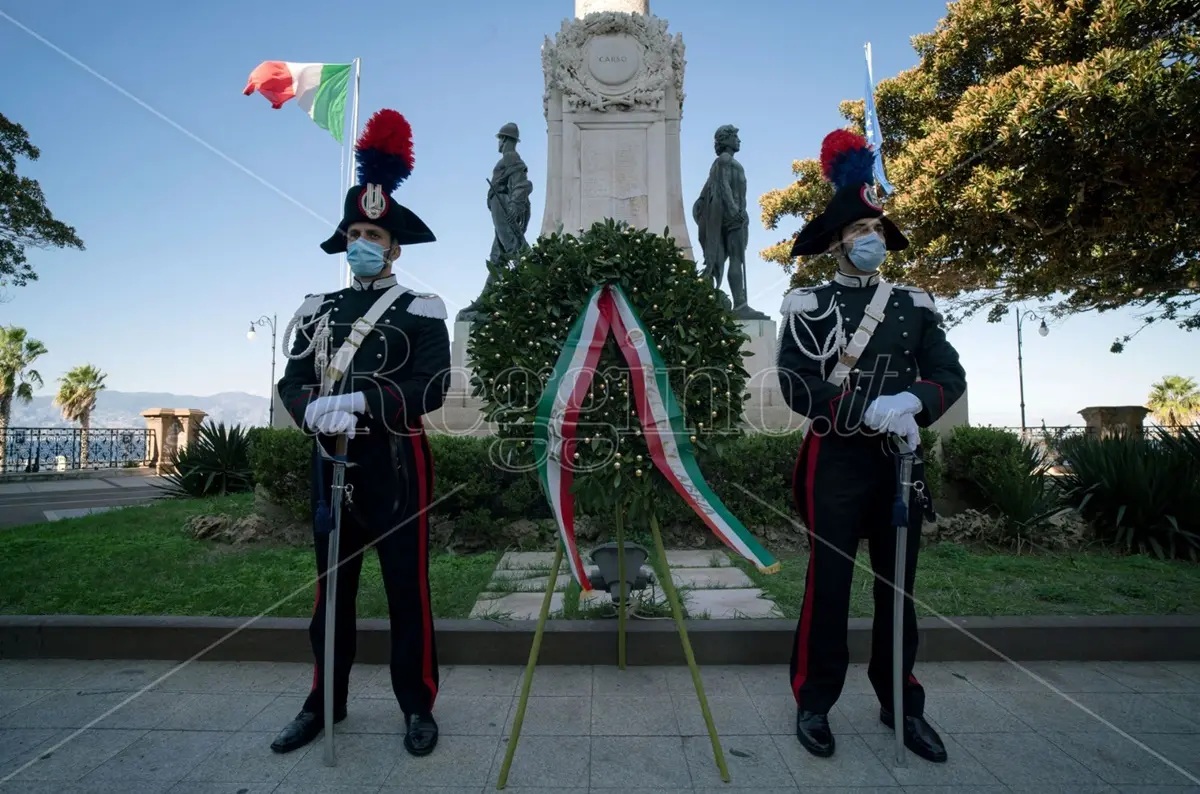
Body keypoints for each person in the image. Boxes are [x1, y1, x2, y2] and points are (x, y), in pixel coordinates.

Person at [776, 129, 966, 763]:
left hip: (900, 463)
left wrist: (912, 402)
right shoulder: (808, 303)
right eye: (859, 232)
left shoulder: (913, 303)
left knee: (899, 590)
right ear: (836, 242)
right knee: (828, 585)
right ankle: (814, 700)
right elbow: (797, 385)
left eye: (878, 232)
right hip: (835, 460)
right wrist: (868, 409)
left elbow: (949, 375)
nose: (871, 242)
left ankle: (899, 703)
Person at [271, 109, 451, 758]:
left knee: (408, 593)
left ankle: (416, 705)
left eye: (373, 232)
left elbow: (432, 387)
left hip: (397, 465)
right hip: (331, 464)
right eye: (354, 231)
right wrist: (310, 408)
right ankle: (324, 703)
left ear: (394, 244)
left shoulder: (422, 308)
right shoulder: (315, 310)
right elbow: (292, 381)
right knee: (331, 596)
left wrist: (365, 402)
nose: (362, 241)